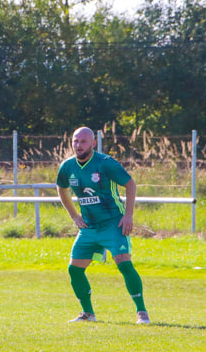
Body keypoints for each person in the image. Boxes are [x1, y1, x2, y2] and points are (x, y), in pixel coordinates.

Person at [56, 126, 149, 325]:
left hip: (113, 224)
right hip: (89, 227)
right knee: (74, 270)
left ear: (93, 143)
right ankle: (88, 313)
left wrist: (129, 215)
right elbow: (61, 188)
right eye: (75, 141)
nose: (78, 145)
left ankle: (142, 312)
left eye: (82, 141)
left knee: (124, 262)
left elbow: (130, 184)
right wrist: (74, 215)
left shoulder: (106, 163)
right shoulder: (67, 166)